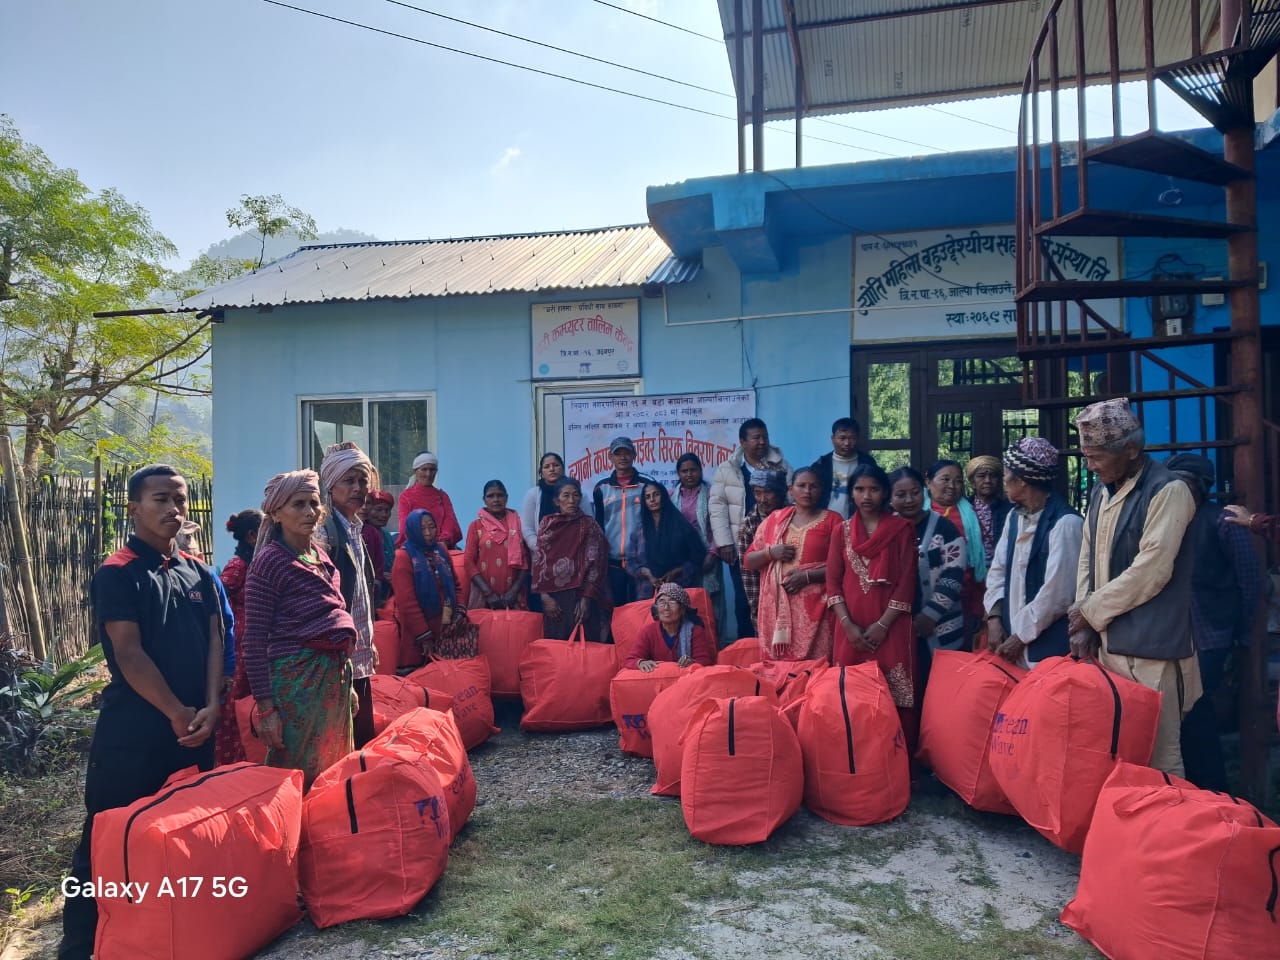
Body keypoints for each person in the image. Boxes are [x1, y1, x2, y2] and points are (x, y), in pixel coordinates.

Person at [59, 465, 224, 960]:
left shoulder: (199, 571)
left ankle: (172, 932)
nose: (173, 509)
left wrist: (213, 705)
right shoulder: (118, 572)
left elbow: (217, 640)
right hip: (135, 732)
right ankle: (79, 942)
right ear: (134, 509)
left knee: (183, 830)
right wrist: (176, 711)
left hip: (198, 728)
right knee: (104, 837)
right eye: (160, 500)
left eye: (180, 499)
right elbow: (128, 653)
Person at [1069, 397, 1202, 778]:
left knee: (1161, 757)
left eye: (1096, 458)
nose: (1091, 467)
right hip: (1110, 643)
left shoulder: (1169, 490)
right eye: (1088, 457)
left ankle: (1166, 834)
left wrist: (1090, 611)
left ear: (1130, 450)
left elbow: (1153, 570)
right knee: (1121, 750)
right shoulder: (1099, 491)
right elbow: (1087, 558)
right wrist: (1083, 617)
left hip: (1153, 650)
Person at [241, 470, 356, 790]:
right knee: (295, 768)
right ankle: (290, 833)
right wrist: (266, 709)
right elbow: (253, 641)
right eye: (298, 504)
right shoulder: (269, 563)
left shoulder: (319, 555)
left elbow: (334, 614)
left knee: (334, 761)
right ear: (276, 512)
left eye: (314, 503)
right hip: (296, 682)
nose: (309, 512)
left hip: (333, 677)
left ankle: (327, 827)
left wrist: (347, 688)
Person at [1167, 453, 1265, 791]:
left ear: (1201, 488)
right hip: (1173, 632)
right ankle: (1193, 786)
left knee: (1195, 709)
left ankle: (1211, 788)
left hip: (1211, 631)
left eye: (1184, 484)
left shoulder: (1221, 521)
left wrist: (1243, 632)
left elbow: (1251, 579)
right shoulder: (1166, 521)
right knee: (1179, 709)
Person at [825, 464, 918, 746]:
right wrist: (847, 625)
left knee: (896, 695)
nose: (866, 496)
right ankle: (856, 762)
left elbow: (906, 583)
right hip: (849, 628)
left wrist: (882, 625)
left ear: (886, 493)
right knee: (850, 694)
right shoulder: (841, 532)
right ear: (851, 493)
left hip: (892, 627)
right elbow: (833, 581)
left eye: (874, 489)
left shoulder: (902, 530)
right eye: (860, 489)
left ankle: (897, 762)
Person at [982, 438, 1083, 668]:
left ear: (1022, 481)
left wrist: (1021, 636)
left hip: (1048, 651)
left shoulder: (1067, 524)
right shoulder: (1014, 517)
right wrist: (995, 618)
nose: (1003, 482)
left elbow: (1057, 596)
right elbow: (997, 571)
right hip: (1012, 646)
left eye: (1006, 475)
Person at [313, 441, 378, 749]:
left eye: (362, 480)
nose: (358, 488)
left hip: (357, 650)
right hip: (336, 653)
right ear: (330, 484)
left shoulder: (354, 527)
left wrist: (369, 641)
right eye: (349, 481)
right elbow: (322, 600)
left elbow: (361, 594)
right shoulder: (323, 532)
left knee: (362, 735)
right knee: (343, 740)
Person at [744, 467, 841, 661]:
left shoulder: (833, 521)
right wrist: (771, 552)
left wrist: (806, 577)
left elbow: (843, 567)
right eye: (802, 486)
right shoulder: (775, 519)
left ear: (821, 490)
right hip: (778, 611)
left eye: (813, 486)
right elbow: (749, 561)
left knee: (816, 668)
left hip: (817, 611)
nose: (807, 491)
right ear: (790, 490)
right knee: (780, 670)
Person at [711, 417, 793, 639]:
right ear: (742, 442)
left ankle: (777, 643)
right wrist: (725, 542)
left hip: (777, 540)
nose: (762, 442)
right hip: (742, 541)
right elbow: (717, 506)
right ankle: (746, 647)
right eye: (756, 437)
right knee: (744, 600)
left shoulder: (781, 465)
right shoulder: (728, 469)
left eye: (765, 437)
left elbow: (791, 500)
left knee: (779, 596)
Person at [890, 466, 965, 688]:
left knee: (943, 693)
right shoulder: (886, 529)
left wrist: (930, 615)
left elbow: (954, 574)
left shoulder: (944, 528)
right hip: (899, 628)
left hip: (941, 626)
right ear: (889, 496)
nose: (909, 500)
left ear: (924, 491)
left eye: (915, 492)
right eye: (900, 495)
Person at [532, 477, 612, 642]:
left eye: (575, 495)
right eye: (566, 495)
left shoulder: (590, 525)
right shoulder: (547, 524)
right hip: (555, 600)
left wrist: (586, 599)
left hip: (581, 596)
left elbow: (596, 564)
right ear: (556, 500)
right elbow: (539, 562)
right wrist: (545, 598)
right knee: (557, 649)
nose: (571, 500)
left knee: (585, 647)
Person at [393, 508, 474, 667]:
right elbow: (407, 603)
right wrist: (424, 636)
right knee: (422, 679)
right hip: (419, 636)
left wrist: (460, 612)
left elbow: (456, 585)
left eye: (432, 527)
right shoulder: (404, 557)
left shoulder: (441, 550)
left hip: (449, 629)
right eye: (422, 529)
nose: (429, 533)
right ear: (413, 530)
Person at [215, 508, 263, 766]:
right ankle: (230, 761)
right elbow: (217, 600)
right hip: (239, 648)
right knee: (234, 704)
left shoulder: (256, 562)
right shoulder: (238, 566)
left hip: (251, 645)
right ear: (252, 536)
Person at [592, 436, 656, 607]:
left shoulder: (647, 485)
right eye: (617, 454)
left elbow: (656, 520)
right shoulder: (601, 488)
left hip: (641, 560)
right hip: (612, 562)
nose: (622, 457)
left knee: (642, 608)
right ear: (610, 457)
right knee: (615, 609)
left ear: (634, 455)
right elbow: (598, 526)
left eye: (626, 453)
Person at [669, 452, 725, 636]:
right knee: (684, 603)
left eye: (693, 470)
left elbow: (720, 525)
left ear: (701, 471)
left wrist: (713, 553)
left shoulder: (711, 494)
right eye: (684, 471)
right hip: (681, 562)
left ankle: (712, 644)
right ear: (678, 474)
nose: (689, 474)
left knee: (709, 604)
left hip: (708, 557)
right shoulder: (671, 497)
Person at [625, 481, 706, 600]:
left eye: (656, 494)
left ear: (663, 496)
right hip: (646, 594)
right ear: (644, 502)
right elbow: (630, 562)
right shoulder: (639, 531)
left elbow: (697, 559)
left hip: (678, 593)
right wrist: (647, 573)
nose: (652, 499)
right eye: (647, 497)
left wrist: (678, 571)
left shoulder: (680, 526)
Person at [735, 468, 789, 636]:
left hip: (795, 592)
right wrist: (759, 610)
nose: (762, 499)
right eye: (758, 493)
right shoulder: (749, 525)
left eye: (768, 493)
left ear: (780, 492)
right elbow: (748, 575)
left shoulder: (795, 515)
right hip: (766, 600)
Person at [463, 479, 530, 609]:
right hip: (484, 596)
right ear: (484, 500)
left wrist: (514, 591)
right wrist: (488, 593)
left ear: (506, 498)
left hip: (514, 596)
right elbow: (468, 562)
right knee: (485, 629)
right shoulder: (476, 526)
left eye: (500, 495)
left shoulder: (518, 524)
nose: (496, 499)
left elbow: (526, 560)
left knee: (515, 629)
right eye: (491, 496)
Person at [623, 582, 717, 670]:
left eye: (672, 602)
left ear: (682, 609)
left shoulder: (695, 631)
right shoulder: (648, 632)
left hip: (687, 683)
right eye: (661, 602)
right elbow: (631, 660)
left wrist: (692, 663)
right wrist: (640, 662)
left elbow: (705, 661)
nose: (666, 607)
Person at [810, 416, 878, 520]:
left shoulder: (867, 463)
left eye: (852, 438)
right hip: (825, 522)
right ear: (833, 439)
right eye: (842, 438)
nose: (847, 443)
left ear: (858, 438)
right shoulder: (821, 465)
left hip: (860, 522)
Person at [397, 451, 462, 549]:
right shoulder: (406, 497)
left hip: (443, 547)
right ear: (415, 471)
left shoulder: (442, 496)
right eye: (424, 469)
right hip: (416, 549)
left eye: (432, 470)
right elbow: (405, 526)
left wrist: (443, 542)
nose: (428, 474)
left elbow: (450, 522)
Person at [965, 454, 1012, 569]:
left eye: (993, 476)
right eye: (981, 476)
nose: (988, 481)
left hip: (1000, 569)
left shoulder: (1010, 509)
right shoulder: (964, 508)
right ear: (972, 482)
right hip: (971, 571)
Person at [520, 452, 566, 550]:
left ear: (563, 469)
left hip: (572, 551)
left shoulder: (577, 492)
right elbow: (527, 528)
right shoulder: (532, 495)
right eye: (547, 466)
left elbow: (587, 520)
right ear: (541, 473)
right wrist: (538, 547)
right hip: (542, 553)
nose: (552, 469)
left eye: (556, 465)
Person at [361, 490, 396, 604]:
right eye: (379, 509)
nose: (383, 515)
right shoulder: (361, 534)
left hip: (388, 596)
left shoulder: (387, 536)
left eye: (387, 511)